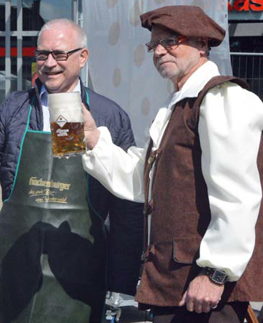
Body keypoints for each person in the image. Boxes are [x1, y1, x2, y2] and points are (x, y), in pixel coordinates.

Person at [0, 19, 143, 323]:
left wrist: (121, 283)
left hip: (81, 267)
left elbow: (126, 205)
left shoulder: (109, 115)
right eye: (41, 54)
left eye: (59, 54)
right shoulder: (15, 108)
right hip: (18, 261)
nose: (49, 63)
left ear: (83, 56)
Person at [82, 5, 263, 323]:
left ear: (202, 44)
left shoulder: (222, 99)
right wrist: (95, 139)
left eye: (171, 40)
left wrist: (215, 272)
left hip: (208, 295)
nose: (159, 50)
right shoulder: (178, 105)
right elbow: (144, 182)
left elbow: (238, 194)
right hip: (176, 287)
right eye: (154, 44)